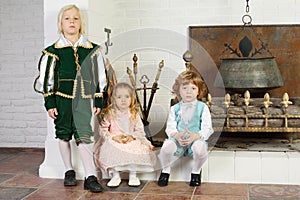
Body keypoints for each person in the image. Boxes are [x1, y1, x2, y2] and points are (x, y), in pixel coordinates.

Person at [33, 4, 107, 192]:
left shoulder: (92, 50)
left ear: (81, 23)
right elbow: (47, 79)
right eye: (67, 18)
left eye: (75, 18)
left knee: (83, 135)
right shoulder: (53, 51)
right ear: (61, 23)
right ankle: (68, 170)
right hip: (61, 99)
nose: (72, 21)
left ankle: (90, 176)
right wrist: (50, 103)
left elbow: (100, 77)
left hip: (84, 99)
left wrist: (98, 99)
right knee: (63, 133)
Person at [157, 70, 213, 187]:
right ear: (178, 90)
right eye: (184, 88)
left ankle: (196, 171)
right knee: (166, 148)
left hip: (195, 138)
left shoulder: (203, 107)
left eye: (193, 88)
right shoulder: (175, 108)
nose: (189, 92)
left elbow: (207, 128)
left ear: (199, 91)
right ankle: (165, 171)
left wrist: (196, 136)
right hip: (178, 139)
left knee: (199, 148)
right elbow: (170, 127)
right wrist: (177, 135)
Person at [94, 82, 156, 187]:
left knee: (134, 149)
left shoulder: (133, 113)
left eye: (127, 97)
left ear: (132, 99)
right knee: (111, 149)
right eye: (119, 97)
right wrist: (112, 137)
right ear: (114, 99)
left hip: (131, 138)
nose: (123, 100)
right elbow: (103, 129)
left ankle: (133, 175)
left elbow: (140, 130)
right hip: (115, 139)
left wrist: (132, 136)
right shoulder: (111, 113)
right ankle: (115, 175)